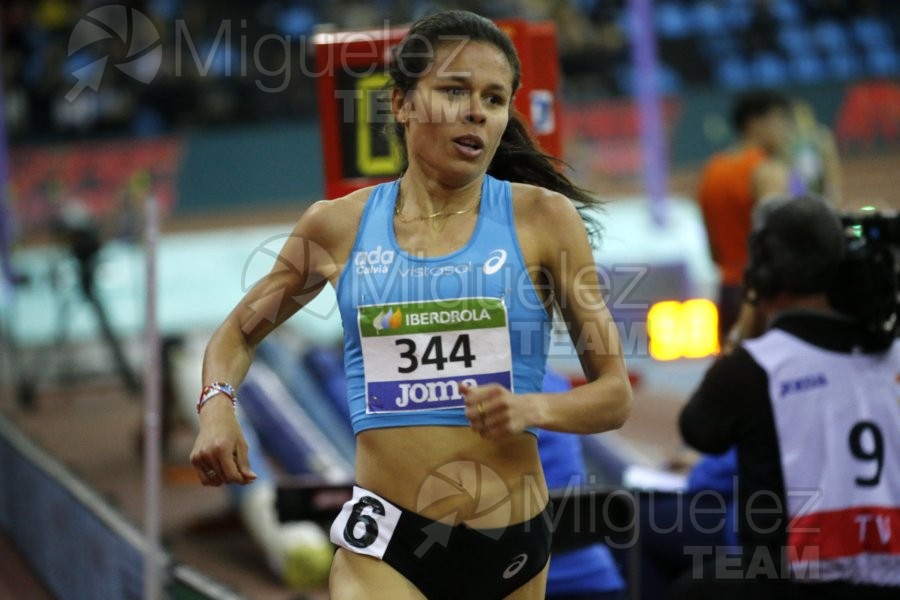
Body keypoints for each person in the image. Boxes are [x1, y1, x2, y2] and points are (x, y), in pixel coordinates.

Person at [190, 10, 633, 600]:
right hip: (387, 542)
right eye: (455, 91)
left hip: (509, 543)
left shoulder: (545, 220)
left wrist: (531, 410)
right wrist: (217, 406)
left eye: (495, 98)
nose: (477, 110)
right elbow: (236, 336)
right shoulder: (335, 227)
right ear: (400, 103)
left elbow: (615, 394)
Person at [676, 196, 900, 599]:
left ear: (761, 275)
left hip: (789, 581)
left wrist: (745, 326)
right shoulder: (893, 353)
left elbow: (697, 430)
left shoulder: (755, 366)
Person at [697, 90, 792, 345]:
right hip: (762, 295)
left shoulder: (711, 171)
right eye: (780, 120)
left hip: (727, 290)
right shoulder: (768, 171)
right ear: (754, 123)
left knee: (736, 376)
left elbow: (713, 251)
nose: (786, 130)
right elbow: (780, 245)